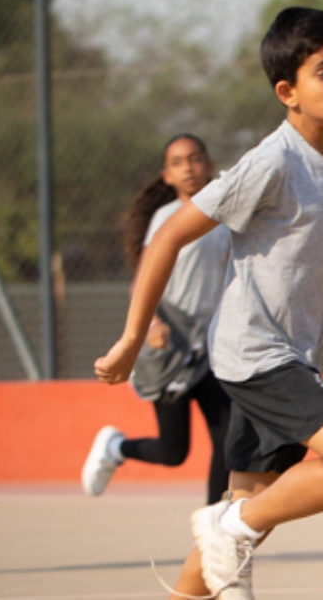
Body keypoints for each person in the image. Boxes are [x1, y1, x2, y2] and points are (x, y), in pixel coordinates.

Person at [93, 6, 323, 599]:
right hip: (254, 353)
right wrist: (130, 337)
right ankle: (227, 525)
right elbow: (170, 236)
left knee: (239, 533)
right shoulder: (271, 162)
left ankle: (221, 539)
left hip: (293, 359)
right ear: (288, 91)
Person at [82, 134, 232, 506]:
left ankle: (213, 528)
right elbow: (142, 280)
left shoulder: (226, 216)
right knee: (173, 451)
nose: (189, 168)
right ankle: (117, 447)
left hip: (209, 347)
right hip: (171, 343)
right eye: (178, 162)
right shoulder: (168, 218)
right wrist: (151, 326)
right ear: (167, 175)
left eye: (195, 159)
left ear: (210, 166)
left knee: (227, 440)